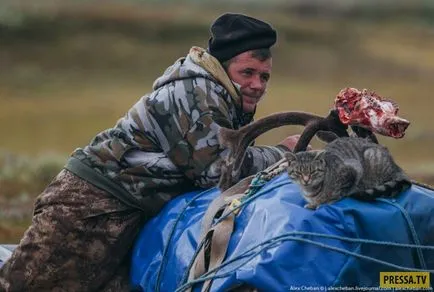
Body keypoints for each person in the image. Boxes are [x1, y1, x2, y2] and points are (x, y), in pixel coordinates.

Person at [0, 13, 302, 291]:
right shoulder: (194, 93)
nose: (256, 85)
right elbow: (218, 170)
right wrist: (282, 154)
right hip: (88, 208)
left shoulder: (219, 95)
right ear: (222, 66)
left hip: (132, 216)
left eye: (264, 77)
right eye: (247, 72)